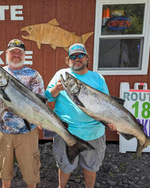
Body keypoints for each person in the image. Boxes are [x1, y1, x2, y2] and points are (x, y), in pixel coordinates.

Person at [45, 43, 115, 188]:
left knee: (91, 166)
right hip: (66, 131)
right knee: (65, 165)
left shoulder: (98, 78)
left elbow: (107, 105)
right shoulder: (61, 75)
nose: (77, 59)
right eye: (73, 56)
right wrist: (57, 88)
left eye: (80, 55)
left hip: (94, 132)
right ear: (68, 60)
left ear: (87, 58)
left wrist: (111, 122)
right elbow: (47, 97)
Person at [0, 39, 44, 188]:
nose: (16, 55)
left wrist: (41, 120)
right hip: (3, 131)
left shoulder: (33, 75)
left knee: (31, 173)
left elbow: (40, 102)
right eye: (13, 52)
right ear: (6, 54)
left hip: (28, 131)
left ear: (24, 55)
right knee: (5, 173)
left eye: (19, 52)